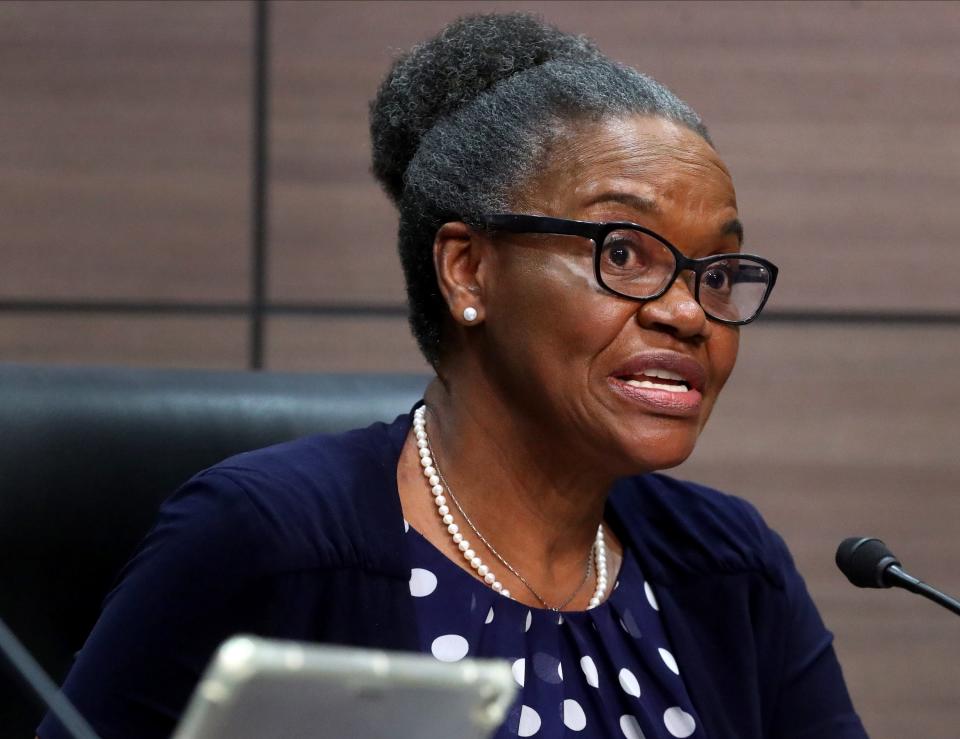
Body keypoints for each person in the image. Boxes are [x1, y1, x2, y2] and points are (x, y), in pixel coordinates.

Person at [39, 13, 868, 739]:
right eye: (624, 253)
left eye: (716, 272)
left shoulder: (727, 565)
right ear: (468, 270)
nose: (689, 313)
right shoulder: (264, 540)